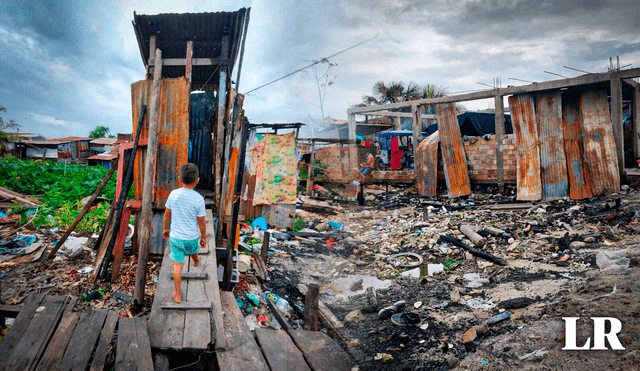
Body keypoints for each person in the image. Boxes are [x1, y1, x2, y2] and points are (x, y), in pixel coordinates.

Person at [162, 163, 207, 304]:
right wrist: (203, 237)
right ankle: (195, 260)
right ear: (197, 180)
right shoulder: (199, 198)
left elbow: (167, 213)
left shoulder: (173, 194)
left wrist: (165, 229)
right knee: (193, 250)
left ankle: (177, 293)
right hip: (191, 238)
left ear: (179, 178)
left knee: (177, 265)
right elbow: (201, 220)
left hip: (176, 239)